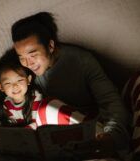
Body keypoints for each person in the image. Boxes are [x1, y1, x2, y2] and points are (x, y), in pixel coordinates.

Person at [11, 12, 131, 156]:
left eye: (33, 55)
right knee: (45, 109)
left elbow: (110, 101)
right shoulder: (25, 73)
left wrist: (111, 136)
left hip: (102, 124)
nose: (28, 63)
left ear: (50, 46)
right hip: (70, 134)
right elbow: (13, 103)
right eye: (21, 58)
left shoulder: (82, 61)